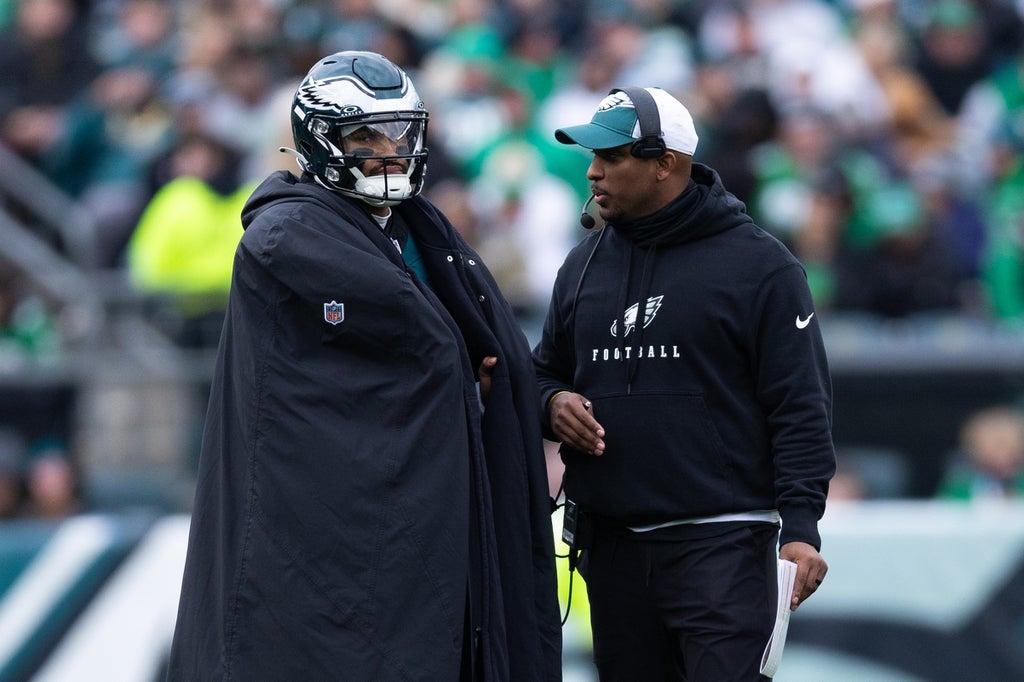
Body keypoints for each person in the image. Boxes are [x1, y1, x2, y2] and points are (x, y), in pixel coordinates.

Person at [166, 51, 561, 681]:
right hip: (325, 537)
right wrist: (463, 371)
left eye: (400, 133)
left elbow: (473, 343)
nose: (389, 150)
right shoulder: (286, 232)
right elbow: (422, 343)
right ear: (319, 142)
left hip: (430, 527)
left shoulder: (420, 228)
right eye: (366, 136)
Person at [532, 85, 836, 680]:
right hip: (613, 548)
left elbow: (800, 404)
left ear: (666, 163)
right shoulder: (583, 263)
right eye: (592, 157)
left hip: (724, 548)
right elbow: (544, 371)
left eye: (612, 157)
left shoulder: (760, 266)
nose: (592, 173)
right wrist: (551, 402)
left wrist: (801, 527)